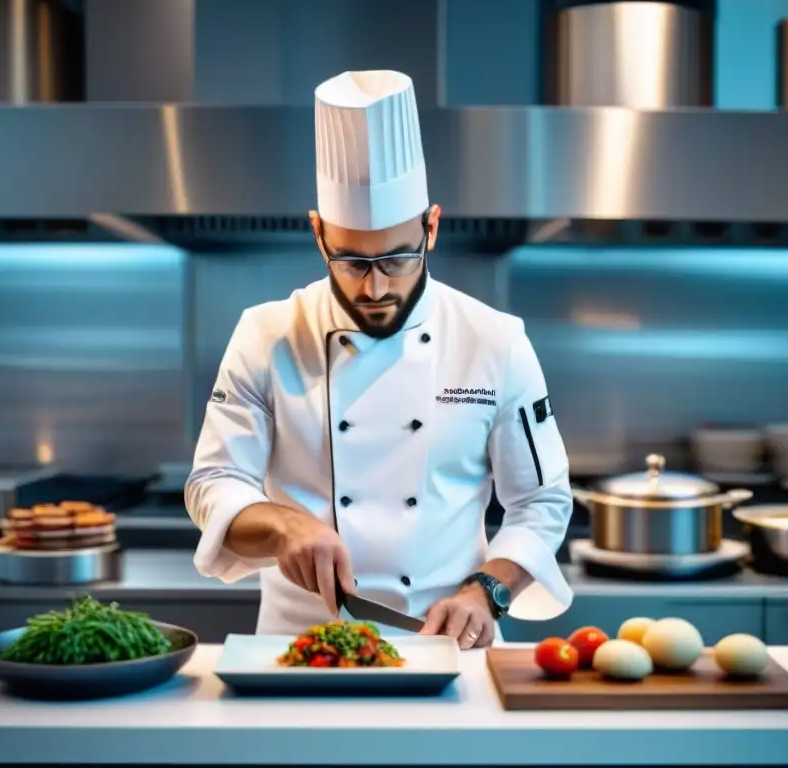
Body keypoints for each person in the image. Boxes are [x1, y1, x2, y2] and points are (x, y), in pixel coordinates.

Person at [186, 69, 573, 649]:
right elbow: (214, 481)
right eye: (351, 262)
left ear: (431, 228)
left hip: (445, 645)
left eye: (397, 260)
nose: (374, 289)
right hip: (298, 648)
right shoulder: (266, 334)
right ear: (319, 236)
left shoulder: (495, 341)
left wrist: (487, 591)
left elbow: (541, 501)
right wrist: (280, 524)